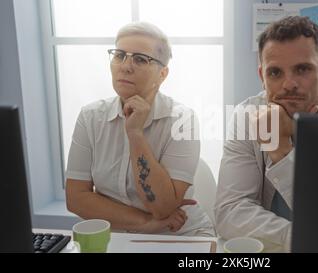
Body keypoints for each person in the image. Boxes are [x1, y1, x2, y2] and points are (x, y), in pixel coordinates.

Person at [215, 16, 318, 252]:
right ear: (262, 76)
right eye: (275, 73)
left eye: (302, 69)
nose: (288, 84)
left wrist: (281, 151)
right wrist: (299, 238)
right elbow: (230, 212)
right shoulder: (246, 116)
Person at [65, 22, 215, 237]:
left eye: (140, 59)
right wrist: (146, 223)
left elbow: (162, 207)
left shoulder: (183, 120)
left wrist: (135, 134)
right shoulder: (90, 117)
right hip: (119, 235)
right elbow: (76, 198)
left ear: (162, 74)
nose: (125, 66)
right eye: (119, 55)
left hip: (179, 233)